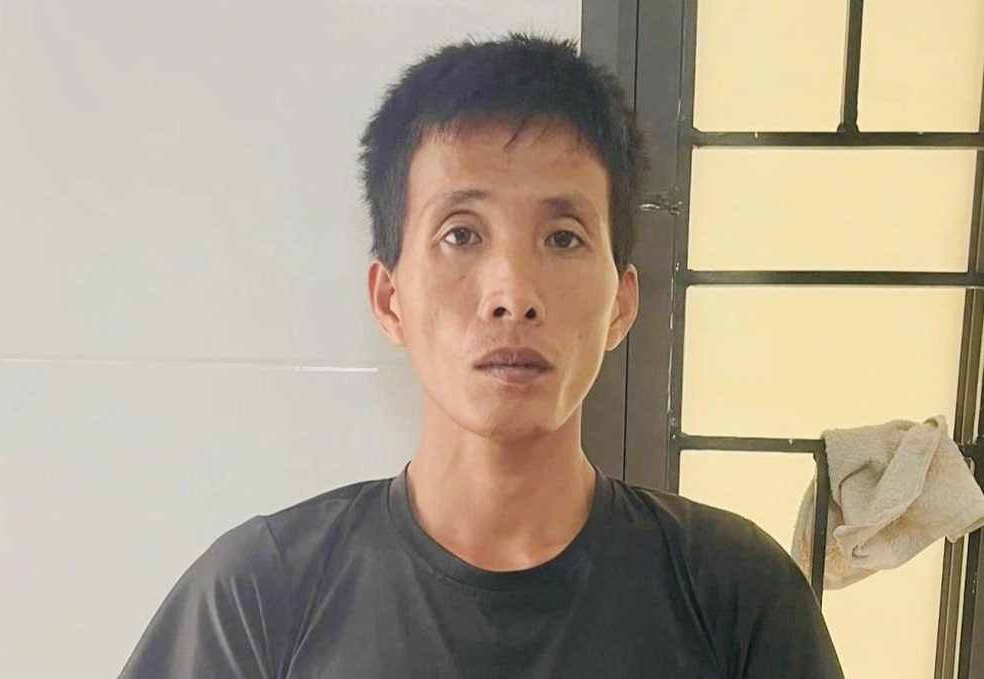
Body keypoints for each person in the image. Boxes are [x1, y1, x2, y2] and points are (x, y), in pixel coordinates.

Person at [117, 33, 845, 678]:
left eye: (563, 238)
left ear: (621, 303)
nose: (512, 295)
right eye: (461, 234)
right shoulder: (261, 596)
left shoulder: (736, 597)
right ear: (389, 298)